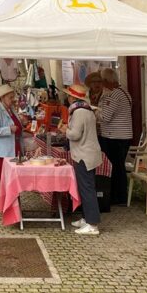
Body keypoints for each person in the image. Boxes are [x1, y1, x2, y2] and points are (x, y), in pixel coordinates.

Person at [59, 82, 103, 235]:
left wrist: (66, 130)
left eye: (69, 96)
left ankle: (92, 224)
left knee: (87, 189)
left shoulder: (78, 112)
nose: (67, 98)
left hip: (84, 154)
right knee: (85, 188)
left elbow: (75, 134)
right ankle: (87, 218)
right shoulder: (86, 109)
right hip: (87, 153)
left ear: (72, 98)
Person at [96, 68, 133, 206]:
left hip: (114, 136)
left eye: (102, 81)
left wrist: (95, 111)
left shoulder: (113, 96)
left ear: (107, 81)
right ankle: (120, 195)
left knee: (115, 167)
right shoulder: (125, 92)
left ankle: (118, 196)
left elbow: (105, 117)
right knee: (119, 166)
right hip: (124, 135)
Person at [0, 84, 25, 181]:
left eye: (13, 97)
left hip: (15, 148)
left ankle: (14, 196)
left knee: (14, 178)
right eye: (10, 97)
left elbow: (16, 124)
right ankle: (4, 196)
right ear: (3, 98)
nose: (13, 99)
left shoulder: (11, 109)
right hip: (3, 151)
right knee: (3, 178)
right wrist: (9, 129)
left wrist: (22, 123)